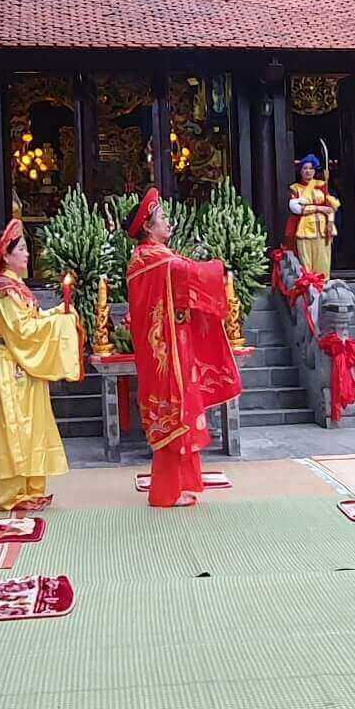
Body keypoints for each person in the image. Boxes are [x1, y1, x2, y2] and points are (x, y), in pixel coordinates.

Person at [125, 190, 243, 508]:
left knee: (183, 411)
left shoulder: (153, 257)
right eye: (163, 218)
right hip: (165, 353)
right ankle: (165, 492)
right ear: (149, 227)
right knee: (173, 413)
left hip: (171, 348)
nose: (169, 222)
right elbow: (190, 272)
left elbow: (182, 280)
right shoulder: (152, 258)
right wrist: (220, 270)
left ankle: (183, 484)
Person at [0, 218, 83, 512]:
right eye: (23, 249)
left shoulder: (18, 287)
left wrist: (59, 313)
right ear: (6, 255)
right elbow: (22, 333)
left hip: (24, 363)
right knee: (16, 429)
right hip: (11, 364)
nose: (28, 254)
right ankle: (11, 493)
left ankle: (30, 490)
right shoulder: (3, 290)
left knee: (34, 425)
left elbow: (33, 321)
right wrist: (59, 324)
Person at [288, 154, 340, 276]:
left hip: (322, 229)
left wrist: (331, 223)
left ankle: (322, 286)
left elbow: (331, 208)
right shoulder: (295, 188)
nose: (308, 171)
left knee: (323, 262)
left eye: (310, 168)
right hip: (305, 228)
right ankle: (307, 288)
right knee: (306, 265)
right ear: (300, 171)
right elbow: (297, 209)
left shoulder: (321, 186)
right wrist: (319, 208)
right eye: (305, 168)